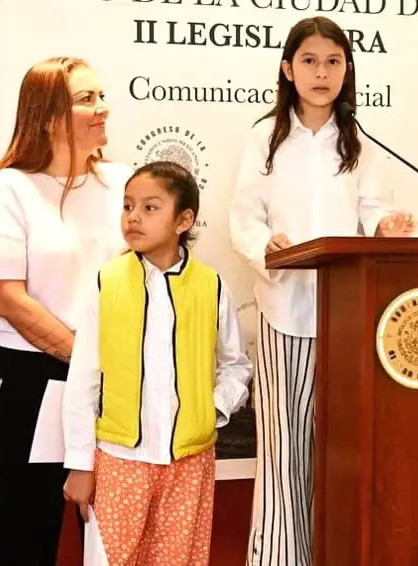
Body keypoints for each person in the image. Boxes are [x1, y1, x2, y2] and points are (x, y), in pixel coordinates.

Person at [229, 16, 417, 566]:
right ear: (288, 69)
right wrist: (272, 244)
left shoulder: (362, 141)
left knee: (341, 452)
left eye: (333, 61)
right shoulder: (265, 137)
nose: (321, 72)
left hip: (346, 319)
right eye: (309, 61)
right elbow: (244, 218)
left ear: (347, 71)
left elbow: (373, 214)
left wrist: (386, 228)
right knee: (284, 453)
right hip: (286, 308)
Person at [0, 56, 132, 565]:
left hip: (117, 378)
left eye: (102, 95)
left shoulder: (125, 184)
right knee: (28, 538)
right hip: (33, 381)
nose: (103, 108)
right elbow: (8, 299)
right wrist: (86, 359)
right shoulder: (9, 188)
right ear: (48, 117)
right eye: (87, 99)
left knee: (117, 538)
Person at [62, 160, 253, 566]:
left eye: (150, 208)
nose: (133, 217)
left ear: (184, 219)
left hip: (189, 465)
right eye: (128, 206)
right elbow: (83, 380)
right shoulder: (107, 282)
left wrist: (211, 410)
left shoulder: (211, 286)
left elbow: (237, 366)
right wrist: (80, 463)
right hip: (120, 461)